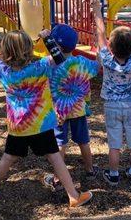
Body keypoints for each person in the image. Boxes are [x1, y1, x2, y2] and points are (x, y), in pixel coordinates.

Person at [0, 17, 92, 208]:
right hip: (42, 125)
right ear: (29, 50)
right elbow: (59, 57)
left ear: (5, 52)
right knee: (55, 158)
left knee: (7, 158)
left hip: (19, 127)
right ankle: (73, 196)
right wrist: (47, 38)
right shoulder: (40, 67)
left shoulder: (2, 70)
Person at [41, 24, 100, 192]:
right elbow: (97, 66)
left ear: (55, 46)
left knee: (60, 144)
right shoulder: (80, 62)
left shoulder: (49, 64)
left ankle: (58, 179)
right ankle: (90, 170)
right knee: (83, 141)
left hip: (58, 112)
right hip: (78, 110)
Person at [92, 0, 131, 186]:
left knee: (114, 144)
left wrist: (97, 10)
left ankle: (113, 174)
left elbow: (100, 33)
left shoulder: (106, 58)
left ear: (110, 47)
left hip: (112, 106)